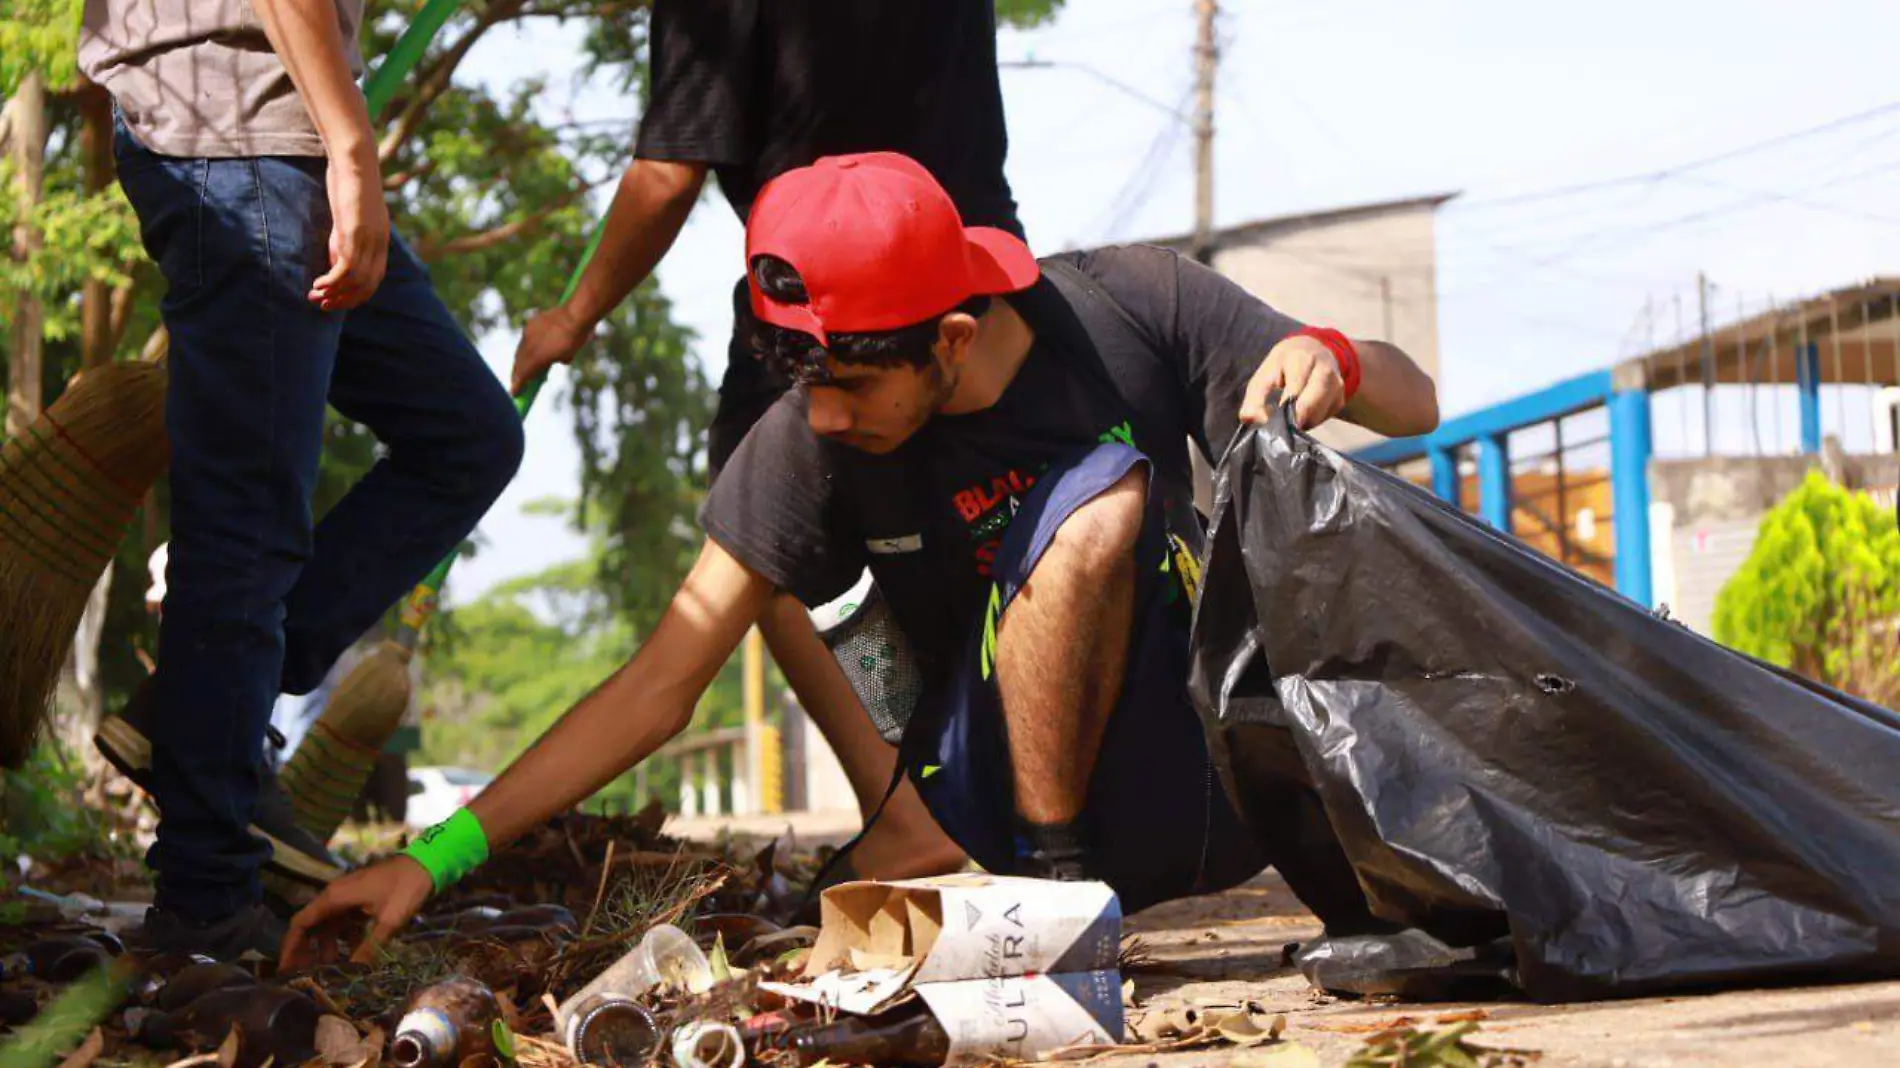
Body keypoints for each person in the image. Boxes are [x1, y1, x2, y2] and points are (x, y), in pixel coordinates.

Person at [282, 152, 1440, 966]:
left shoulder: (1133, 309)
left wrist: (1332, 352)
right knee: (855, 534)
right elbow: (658, 679)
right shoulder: (805, 443)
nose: (824, 419)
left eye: (851, 386)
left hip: (1212, 773)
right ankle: (1040, 902)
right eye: (805, 386)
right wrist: (431, 860)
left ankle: (1098, 894)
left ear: (949, 339)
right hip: (996, 794)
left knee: (1105, 498)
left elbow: (1415, 402)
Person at [506, 0, 1026, 883]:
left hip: (832, 295)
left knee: (772, 543)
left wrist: (573, 314)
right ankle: (1016, 798)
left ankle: (908, 811)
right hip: (978, 275)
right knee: (1003, 512)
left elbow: (667, 173)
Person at [78, 0, 524, 959]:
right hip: (238, 133)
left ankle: (195, 714)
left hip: (278, 134)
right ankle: (202, 905)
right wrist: (353, 147)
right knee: (246, 524)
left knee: (469, 436)